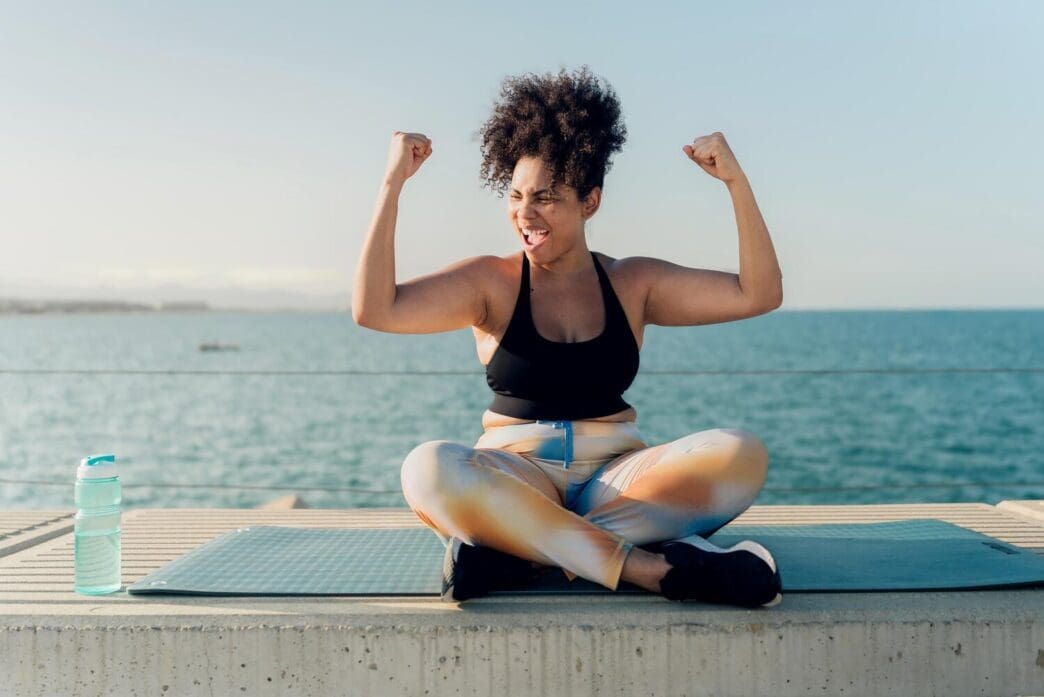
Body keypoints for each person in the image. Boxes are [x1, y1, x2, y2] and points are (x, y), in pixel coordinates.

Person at [352, 66, 784, 607]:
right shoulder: (491, 282)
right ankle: (650, 568)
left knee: (740, 454)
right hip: (517, 471)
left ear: (591, 201)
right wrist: (392, 184)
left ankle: (522, 547)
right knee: (427, 467)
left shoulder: (633, 283)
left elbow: (759, 293)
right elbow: (375, 309)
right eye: (514, 195)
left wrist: (735, 182)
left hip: (619, 478)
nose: (524, 214)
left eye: (546, 197)